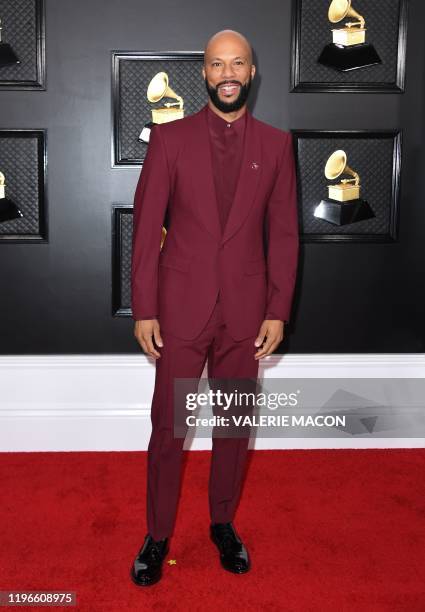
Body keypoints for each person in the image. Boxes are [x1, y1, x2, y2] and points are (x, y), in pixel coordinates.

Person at [130, 29, 299, 586]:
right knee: (169, 428)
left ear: (251, 72)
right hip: (179, 307)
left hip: (247, 313)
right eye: (217, 64)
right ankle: (157, 535)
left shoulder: (277, 145)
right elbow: (147, 226)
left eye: (238, 64)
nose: (228, 73)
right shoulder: (169, 139)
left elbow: (285, 234)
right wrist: (144, 307)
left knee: (232, 425)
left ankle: (222, 524)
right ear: (204, 73)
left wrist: (278, 310)